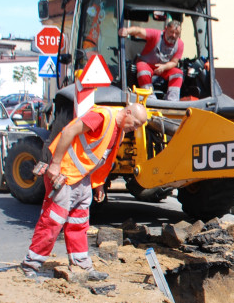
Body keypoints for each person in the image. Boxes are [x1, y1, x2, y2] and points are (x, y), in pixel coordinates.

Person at [21, 103, 148, 279]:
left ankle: (82, 265)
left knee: (79, 223)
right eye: (135, 123)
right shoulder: (102, 117)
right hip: (65, 172)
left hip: (82, 178)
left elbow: (104, 158)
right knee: (53, 221)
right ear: (127, 112)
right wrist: (56, 164)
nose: (135, 128)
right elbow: (68, 132)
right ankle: (31, 264)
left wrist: (99, 184)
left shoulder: (119, 131)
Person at [119, 18, 185, 101]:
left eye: (177, 33)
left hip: (163, 68)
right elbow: (139, 31)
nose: (174, 35)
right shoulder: (156, 35)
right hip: (147, 65)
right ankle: (150, 97)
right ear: (165, 29)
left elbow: (174, 62)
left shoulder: (180, 44)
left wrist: (164, 67)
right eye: (171, 32)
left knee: (178, 73)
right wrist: (126, 31)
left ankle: (172, 100)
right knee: (142, 68)